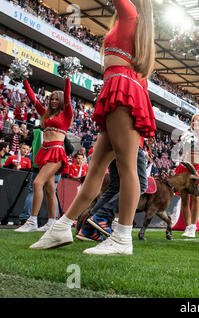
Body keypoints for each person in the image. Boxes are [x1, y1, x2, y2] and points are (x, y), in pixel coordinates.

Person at [29, 0, 156, 256]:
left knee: (127, 167)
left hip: (121, 89)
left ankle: (122, 238)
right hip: (118, 87)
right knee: (96, 167)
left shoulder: (130, 13)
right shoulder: (135, 23)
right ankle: (63, 226)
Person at [15, 75, 72, 233]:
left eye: (56, 99)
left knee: (36, 183)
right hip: (45, 152)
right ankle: (51, 222)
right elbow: (33, 99)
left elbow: (67, 97)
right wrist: (24, 80)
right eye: (52, 99)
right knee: (48, 189)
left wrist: (67, 79)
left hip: (56, 152)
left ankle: (32, 221)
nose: (53, 101)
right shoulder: (45, 114)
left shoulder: (66, 114)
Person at [76, 139, 148, 242]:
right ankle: (101, 217)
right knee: (140, 185)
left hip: (115, 144)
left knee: (115, 187)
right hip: (131, 143)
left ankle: (88, 229)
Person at [174, 113, 199, 238]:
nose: (196, 123)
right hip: (184, 169)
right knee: (184, 199)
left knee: (196, 198)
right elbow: (182, 151)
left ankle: (193, 227)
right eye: (194, 121)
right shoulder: (185, 135)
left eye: (198, 121)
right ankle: (188, 227)